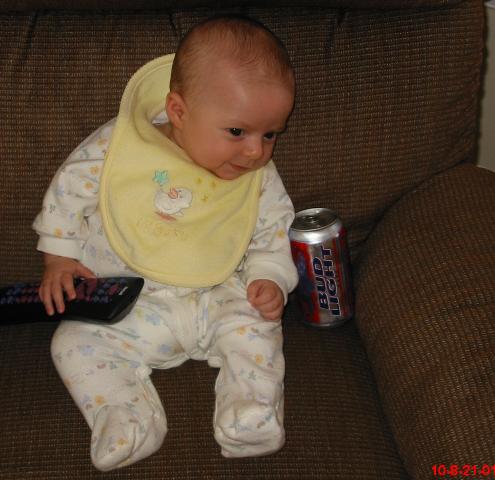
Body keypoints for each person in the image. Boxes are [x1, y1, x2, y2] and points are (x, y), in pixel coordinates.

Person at [32, 15, 299, 471]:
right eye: (238, 131)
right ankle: (126, 417)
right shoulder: (121, 147)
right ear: (178, 111)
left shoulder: (257, 176)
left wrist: (269, 278)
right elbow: (69, 193)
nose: (256, 151)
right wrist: (58, 258)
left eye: (270, 133)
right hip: (133, 304)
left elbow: (274, 229)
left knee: (256, 328)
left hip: (219, 296)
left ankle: (250, 412)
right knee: (72, 341)